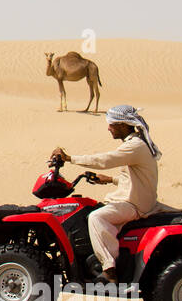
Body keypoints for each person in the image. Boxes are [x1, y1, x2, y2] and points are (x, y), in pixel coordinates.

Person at [51, 104, 168, 283]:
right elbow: (136, 177)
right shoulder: (134, 144)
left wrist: (70, 158)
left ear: (123, 125)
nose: (108, 128)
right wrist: (110, 180)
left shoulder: (134, 146)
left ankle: (109, 269)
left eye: (111, 124)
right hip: (136, 199)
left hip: (134, 205)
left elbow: (104, 160)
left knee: (96, 218)